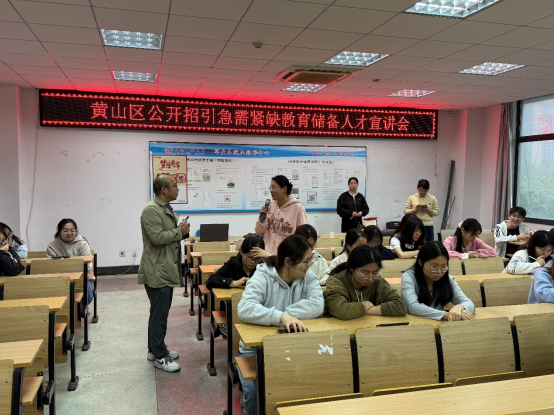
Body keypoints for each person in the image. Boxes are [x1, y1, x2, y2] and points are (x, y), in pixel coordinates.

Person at [237, 235, 324, 415]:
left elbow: (317, 305)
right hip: (256, 350)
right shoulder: (263, 275)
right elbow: (245, 308)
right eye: (305, 261)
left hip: (293, 346)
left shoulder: (308, 276)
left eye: (310, 260)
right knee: (255, 394)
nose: (309, 265)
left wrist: (285, 314)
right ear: (288, 262)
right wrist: (280, 317)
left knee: (313, 384)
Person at [139, 175, 190, 373]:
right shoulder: (151, 210)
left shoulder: (165, 208)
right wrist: (179, 233)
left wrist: (183, 231)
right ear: (164, 190)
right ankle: (160, 357)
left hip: (165, 267)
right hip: (157, 269)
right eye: (175, 186)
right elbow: (157, 238)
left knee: (159, 312)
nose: (178, 189)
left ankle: (154, 349)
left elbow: (170, 235)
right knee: (159, 315)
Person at [324, 245, 406, 320]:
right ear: (351, 267)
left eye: (375, 273)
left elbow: (400, 306)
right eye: (365, 273)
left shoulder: (377, 282)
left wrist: (369, 310)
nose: (370, 279)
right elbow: (342, 311)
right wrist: (365, 305)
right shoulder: (336, 281)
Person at [401, 242, 476, 321]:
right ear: (420, 262)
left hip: (439, 325)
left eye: (443, 266)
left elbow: (469, 303)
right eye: (434, 266)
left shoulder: (447, 279)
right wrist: (446, 315)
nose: (439, 272)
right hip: (416, 324)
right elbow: (412, 306)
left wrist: (460, 307)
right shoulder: (409, 277)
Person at [255, 175, 308, 256]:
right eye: (270, 188)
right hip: (267, 255)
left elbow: (303, 236)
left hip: (286, 256)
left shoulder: (297, 208)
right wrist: (262, 218)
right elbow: (259, 232)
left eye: (273, 187)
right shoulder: (270, 205)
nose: (271, 191)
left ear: (284, 189)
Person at [46, 218, 94, 304]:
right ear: (59, 232)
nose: (69, 233)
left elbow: (89, 266)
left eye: (72, 230)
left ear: (76, 231)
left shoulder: (82, 243)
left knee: (88, 297)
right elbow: (50, 266)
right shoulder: (53, 245)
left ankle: (81, 309)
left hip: (81, 277)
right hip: (59, 277)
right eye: (65, 231)